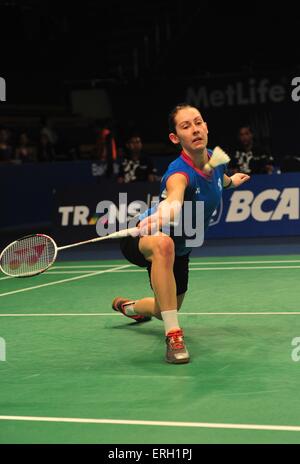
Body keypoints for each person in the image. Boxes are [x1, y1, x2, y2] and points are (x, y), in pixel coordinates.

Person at [112, 103, 250, 364]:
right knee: (164, 244)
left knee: (165, 308)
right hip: (145, 236)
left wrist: (234, 182)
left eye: (198, 122)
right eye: (186, 126)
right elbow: (174, 199)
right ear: (176, 138)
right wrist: (163, 214)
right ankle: (173, 336)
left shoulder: (216, 158)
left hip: (181, 249)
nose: (195, 129)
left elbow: (221, 178)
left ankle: (129, 307)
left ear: (206, 126)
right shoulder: (178, 173)